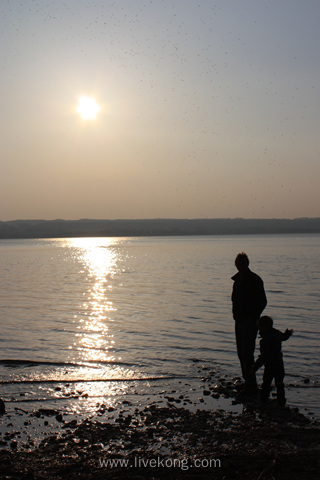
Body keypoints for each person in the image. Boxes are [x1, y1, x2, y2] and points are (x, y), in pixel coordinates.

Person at [231, 252, 267, 394]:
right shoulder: (237, 280)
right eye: (238, 263)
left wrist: (253, 317)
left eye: (242, 262)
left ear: (247, 263)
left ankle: (251, 384)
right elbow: (235, 301)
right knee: (241, 352)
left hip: (250, 322)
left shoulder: (255, 280)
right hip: (239, 321)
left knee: (247, 352)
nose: (240, 265)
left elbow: (262, 301)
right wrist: (235, 315)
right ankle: (248, 381)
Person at [252, 316, 293, 406]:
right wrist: (288, 333)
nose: (259, 331)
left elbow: (263, 357)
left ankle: (263, 399)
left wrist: (255, 367)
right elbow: (284, 337)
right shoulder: (277, 333)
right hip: (279, 362)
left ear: (265, 327)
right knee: (279, 383)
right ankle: (281, 401)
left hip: (270, 364)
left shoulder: (265, 341)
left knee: (266, 382)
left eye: (260, 328)